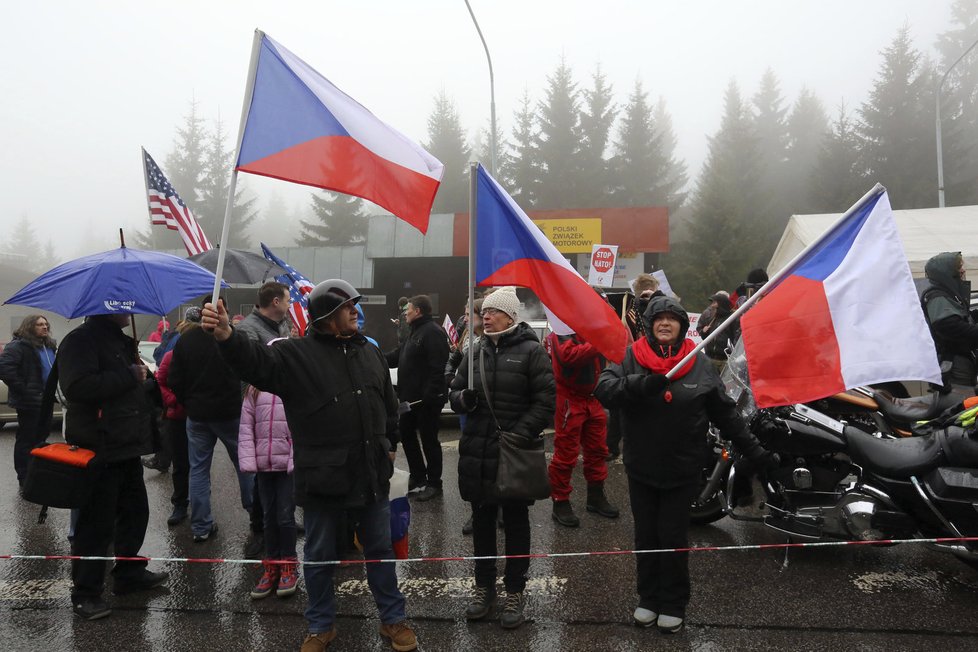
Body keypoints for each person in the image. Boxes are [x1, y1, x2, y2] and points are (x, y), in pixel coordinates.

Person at [201, 279, 417, 652]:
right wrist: (226, 336)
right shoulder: (294, 355)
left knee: (379, 549)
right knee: (318, 555)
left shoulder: (370, 352)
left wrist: (392, 445)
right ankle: (321, 626)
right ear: (326, 316)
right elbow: (256, 362)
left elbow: (388, 403)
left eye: (355, 305)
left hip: (371, 474)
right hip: (323, 478)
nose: (355, 311)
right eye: (348, 305)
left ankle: (393, 620)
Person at [595, 295, 776, 633]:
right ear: (649, 325)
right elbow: (604, 389)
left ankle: (674, 603)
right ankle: (648, 599)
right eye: (658, 318)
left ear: (681, 326)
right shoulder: (632, 357)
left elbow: (727, 416)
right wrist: (639, 385)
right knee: (646, 537)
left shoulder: (700, 364)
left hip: (682, 472)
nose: (665, 323)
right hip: (641, 469)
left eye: (672, 318)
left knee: (674, 539)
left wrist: (757, 453)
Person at [448, 286, 555, 629]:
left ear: (510, 315)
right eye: (484, 313)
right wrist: (463, 398)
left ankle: (514, 591)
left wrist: (520, 433)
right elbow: (453, 390)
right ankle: (483, 588)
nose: (485, 317)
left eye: (493, 312)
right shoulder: (475, 351)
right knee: (481, 523)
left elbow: (545, 400)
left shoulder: (531, 351)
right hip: (478, 453)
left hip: (513, 453)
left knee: (516, 524)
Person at [57, 312, 168, 620]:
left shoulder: (119, 341)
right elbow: (76, 387)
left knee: (135, 513)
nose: (129, 311)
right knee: (96, 524)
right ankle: (85, 593)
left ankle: (129, 573)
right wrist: (129, 375)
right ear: (107, 309)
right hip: (99, 445)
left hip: (126, 446)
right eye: (123, 305)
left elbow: (131, 387)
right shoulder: (80, 341)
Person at [167, 297, 254, 544]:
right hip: (229, 414)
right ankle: (256, 516)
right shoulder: (231, 337)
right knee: (245, 467)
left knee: (199, 470)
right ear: (223, 312)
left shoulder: (185, 340)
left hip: (198, 415)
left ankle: (201, 526)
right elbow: (248, 370)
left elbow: (174, 380)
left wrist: (189, 400)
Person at [546, 304, 619, 528]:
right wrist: (599, 342)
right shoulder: (561, 329)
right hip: (570, 399)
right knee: (566, 453)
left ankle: (595, 497)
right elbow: (568, 356)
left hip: (593, 397)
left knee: (598, 451)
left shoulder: (592, 329)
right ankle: (560, 501)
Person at [235, 281, 293, 555]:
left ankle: (285, 519)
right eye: (288, 299)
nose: (291, 304)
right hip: (261, 411)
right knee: (261, 476)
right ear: (275, 302)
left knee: (283, 474)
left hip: (283, 406)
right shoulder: (247, 330)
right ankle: (259, 528)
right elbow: (243, 368)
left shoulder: (282, 326)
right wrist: (253, 388)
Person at [238, 360, 299, 600]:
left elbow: (299, 426)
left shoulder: (294, 388)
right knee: (268, 516)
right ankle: (271, 564)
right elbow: (246, 428)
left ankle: (288, 564)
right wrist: (249, 460)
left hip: (286, 467)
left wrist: (295, 459)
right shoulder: (254, 390)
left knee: (285, 515)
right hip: (264, 465)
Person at [386, 295, 450, 501]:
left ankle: (434, 483)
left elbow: (437, 366)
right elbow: (398, 355)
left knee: (429, 440)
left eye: (408, 309)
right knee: (405, 434)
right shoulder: (414, 332)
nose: (405, 312)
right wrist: (374, 355)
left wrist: (430, 394)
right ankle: (418, 476)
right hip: (408, 400)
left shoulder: (432, 332)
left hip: (426, 400)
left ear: (419, 311)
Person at [0, 315, 57, 487]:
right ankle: (24, 477)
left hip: (47, 400)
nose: (44, 327)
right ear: (30, 326)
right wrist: (24, 391)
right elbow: (5, 369)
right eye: (40, 324)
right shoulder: (18, 346)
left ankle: (37, 473)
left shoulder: (49, 346)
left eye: (46, 324)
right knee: (27, 439)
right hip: (29, 402)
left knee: (41, 438)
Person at [155, 316, 198, 526]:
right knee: (180, 464)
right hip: (178, 418)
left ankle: (200, 506)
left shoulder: (203, 356)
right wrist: (172, 401)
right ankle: (180, 504)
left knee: (199, 466)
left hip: (200, 417)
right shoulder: (171, 357)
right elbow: (160, 383)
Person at [919, 252, 978, 393]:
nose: (963, 270)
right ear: (946, 272)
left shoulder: (948, 294)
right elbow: (949, 326)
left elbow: (963, 317)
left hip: (962, 361)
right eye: (958, 267)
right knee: (961, 405)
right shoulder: (937, 296)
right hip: (953, 365)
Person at [696, 291, 739, 373]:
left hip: (725, 361)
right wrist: (703, 332)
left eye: (714, 302)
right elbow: (705, 337)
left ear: (721, 304)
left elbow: (737, 340)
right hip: (710, 359)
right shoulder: (712, 317)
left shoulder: (733, 318)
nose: (712, 305)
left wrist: (733, 357)